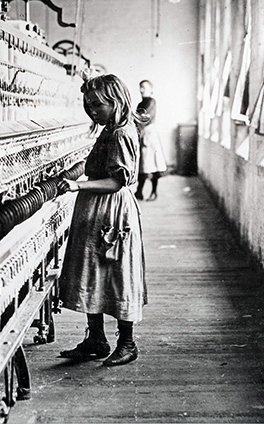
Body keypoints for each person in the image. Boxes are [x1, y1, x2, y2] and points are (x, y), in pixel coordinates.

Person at [56, 73, 148, 366]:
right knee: (92, 271)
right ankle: (95, 338)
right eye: (88, 104)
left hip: (111, 210)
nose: (92, 111)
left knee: (117, 273)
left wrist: (76, 185)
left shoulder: (121, 133)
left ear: (116, 101)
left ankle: (127, 343)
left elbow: (117, 182)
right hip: (96, 210)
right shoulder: (110, 129)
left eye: (98, 105)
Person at [135, 79, 167, 201]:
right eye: (140, 87)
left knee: (153, 164)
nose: (142, 90)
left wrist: (138, 130)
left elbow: (143, 118)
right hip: (143, 134)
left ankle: (154, 192)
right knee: (143, 164)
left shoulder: (151, 102)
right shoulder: (140, 103)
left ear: (151, 89)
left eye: (144, 87)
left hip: (149, 135)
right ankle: (139, 191)